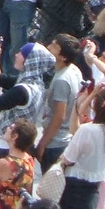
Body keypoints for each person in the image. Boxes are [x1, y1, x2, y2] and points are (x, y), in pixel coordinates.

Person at [34, 33, 87, 172]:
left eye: (54, 47)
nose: (49, 47)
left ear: (63, 57)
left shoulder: (61, 80)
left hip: (56, 143)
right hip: (69, 138)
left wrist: (42, 144)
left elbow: (59, 117)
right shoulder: (75, 70)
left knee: (51, 189)